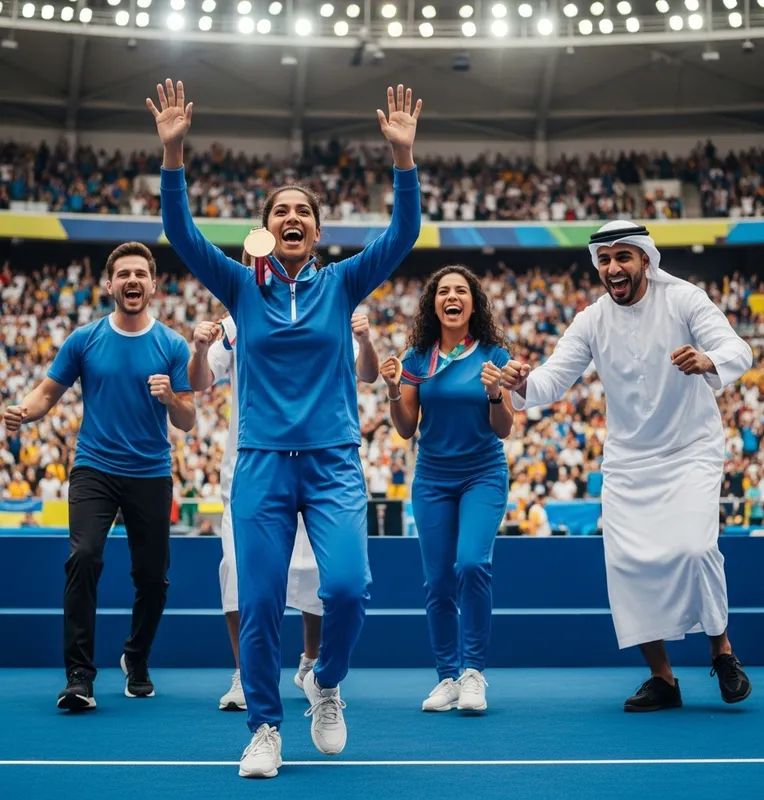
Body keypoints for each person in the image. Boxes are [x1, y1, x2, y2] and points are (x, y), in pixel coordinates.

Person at [148, 78, 421, 778]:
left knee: (350, 589)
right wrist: (173, 155)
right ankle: (265, 728)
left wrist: (403, 160)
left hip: (332, 462)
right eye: (282, 211)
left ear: (318, 231)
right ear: (267, 228)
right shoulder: (241, 285)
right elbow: (180, 234)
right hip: (262, 464)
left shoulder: (342, 285)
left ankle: (325, 684)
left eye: (304, 211)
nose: (294, 216)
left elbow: (403, 235)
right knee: (261, 597)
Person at [501, 220, 754, 712]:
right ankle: (662, 678)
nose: (613, 268)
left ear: (644, 260)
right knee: (626, 566)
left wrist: (707, 359)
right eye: (605, 260)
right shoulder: (592, 319)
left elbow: (736, 349)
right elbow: (553, 380)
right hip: (628, 462)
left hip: (690, 450)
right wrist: (519, 381)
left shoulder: (684, 298)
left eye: (623, 257)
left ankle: (721, 651)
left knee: (697, 548)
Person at [2, 242, 196, 711]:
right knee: (83, 557)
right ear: (109, 285)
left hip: (151, 472)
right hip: (94, 468)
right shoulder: (84, 339)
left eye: (141, 274)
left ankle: (137, 656)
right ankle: (79, 676)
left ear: (153, 285)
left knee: (153, 578)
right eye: (123, 274)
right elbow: (49, 391)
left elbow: (188, 419)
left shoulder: (172, 344)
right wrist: (23, 412)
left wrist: (172, 397)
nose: (132, 281)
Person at [188, 299, 380, 711]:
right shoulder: (236, 321)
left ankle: (312, 662)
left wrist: (364, 340)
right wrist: (200, 349)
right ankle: (247, 676)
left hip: (319, 465)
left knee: (320, 575)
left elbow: (365, 373)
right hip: (250, 467)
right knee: (239, 572)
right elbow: (203, 380)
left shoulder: (326, 309)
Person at [379, 265, 513, 714]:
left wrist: (495, 395)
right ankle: (447, 677)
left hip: (483, 474)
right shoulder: (417, 358)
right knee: (437, 582)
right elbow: (404, 429)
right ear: (433, 304)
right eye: (443, 291)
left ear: (473, 303)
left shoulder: (494, 353)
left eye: (461, 291)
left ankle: (474, 673)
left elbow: (504, 428)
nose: (451, 297)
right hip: (432, 479)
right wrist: (395, 390)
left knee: (472, 565)